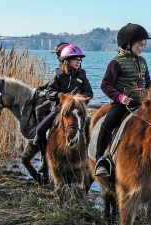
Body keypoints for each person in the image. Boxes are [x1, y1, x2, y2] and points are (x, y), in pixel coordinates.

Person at [94, 23, 151, 177]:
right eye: (140, 45)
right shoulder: (116, 62)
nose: (142, 48)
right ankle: (100, 160)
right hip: (122, 104)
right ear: (128, 44)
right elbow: (105, 85)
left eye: (144, 45)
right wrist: (120, 97)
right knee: (107, 123)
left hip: (143, 103)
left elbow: (148, 82)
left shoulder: (143, 62)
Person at [33, 44, 93, 177]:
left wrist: (77, 98)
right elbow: (49, 91)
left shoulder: (82, 74)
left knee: (90, 129)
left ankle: (89, 160)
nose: (78, 62)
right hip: (61, 109)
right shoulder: (58, 73)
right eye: (75, 59)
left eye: (79, 59)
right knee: (40, 129)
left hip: (77, 110)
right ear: (67, 61)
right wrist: (61, 96)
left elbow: (89, 92)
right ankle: (44, 159)